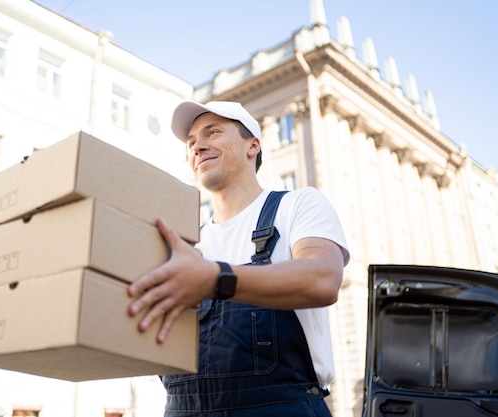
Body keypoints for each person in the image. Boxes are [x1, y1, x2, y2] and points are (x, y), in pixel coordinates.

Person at [128, 100, 350, 416]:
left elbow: (323, 278)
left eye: (212, 132)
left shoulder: (297, 206)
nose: (198, 147)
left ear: (253, 146)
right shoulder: (186, 243)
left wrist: (215, 279)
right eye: (191, 143)